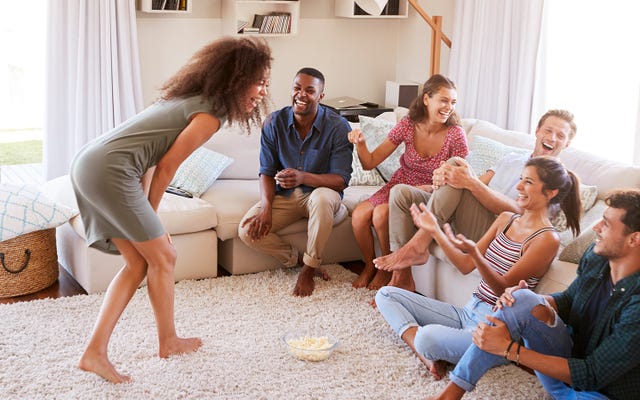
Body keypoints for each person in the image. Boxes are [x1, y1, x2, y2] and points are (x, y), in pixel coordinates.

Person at [70, 37, 273, 383]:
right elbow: (166, 166)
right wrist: (152, 216)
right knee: (163, 256)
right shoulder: (209, 114)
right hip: (109, 170)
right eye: (259, 81)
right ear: (238, 79)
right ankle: (168, 341)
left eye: (266, 82)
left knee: (141, 262)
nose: (263, 90)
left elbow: (151, 159)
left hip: (94, 164)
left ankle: (96, 352)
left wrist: (147, 218)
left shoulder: (189, 100)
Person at [376, 156, 582, 380]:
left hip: (498, 329)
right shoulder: (506, 219)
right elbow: (465, 266)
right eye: (521, 179)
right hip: (469, 309)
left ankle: (431, 347)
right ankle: (427, 356)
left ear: (550, 192)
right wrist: (434, 230)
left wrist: (475, 253)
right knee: (386, 295)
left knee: (427, 338)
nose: (518, 187)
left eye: (528, 182)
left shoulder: (547, 239)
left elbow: (504, 287)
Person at [429, 189, 640, 400]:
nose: (596, 227)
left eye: (607, 223)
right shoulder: (597, 259)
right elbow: (568, 301)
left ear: (634, 239)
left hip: (602, 392)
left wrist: (510, 350)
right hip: (567, 368)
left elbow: (591, 374)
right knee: (521, 299)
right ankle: (450, 396)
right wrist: (528, 304)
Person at [374, 109, 578, 293]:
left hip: (495, 232)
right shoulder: (512, 158)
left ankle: (417, 247)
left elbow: (521, 214)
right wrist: (435, 186)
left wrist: (467, 181)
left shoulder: (558, 180)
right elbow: (477, 185)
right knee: (402, 193)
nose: (552, 138)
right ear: (537, 131)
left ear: (567, 143)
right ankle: (403, 277)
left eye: (560, 136)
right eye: (548, 130)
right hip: (466, 215)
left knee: (456, 165)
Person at [238, 67, 353, 297]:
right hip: (287, 196)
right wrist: (267, 207)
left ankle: (308, 271)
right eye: (297, 88)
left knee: (320, 198)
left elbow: (340, 180)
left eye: (310, 91)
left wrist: (302, 177)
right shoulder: (274, 122)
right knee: (247, 230)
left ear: (320, 96)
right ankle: (300, 260)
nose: (301, 95)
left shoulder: (338, 127)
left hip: (323, 194)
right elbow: (266, 171)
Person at [347, 75, 468, 290]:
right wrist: (362, 144)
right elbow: (370, 162)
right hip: (401, 182)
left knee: (381, 214)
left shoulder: (455, 134)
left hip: (432, 191)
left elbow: (460, 181)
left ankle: (390, 270)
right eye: (444, 100)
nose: (449, 107)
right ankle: (369, 266)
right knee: (358, 216)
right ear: (426, 99)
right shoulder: (408, 124)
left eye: (453, 102)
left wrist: (430, 187)